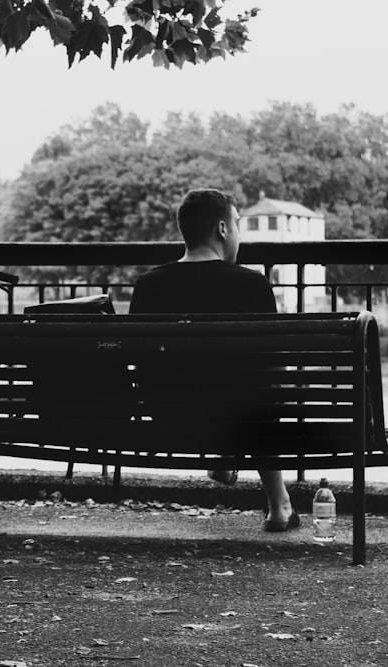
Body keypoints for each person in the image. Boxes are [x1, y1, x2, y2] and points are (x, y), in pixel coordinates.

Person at [129, 187, 298, 532]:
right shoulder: (252, 285)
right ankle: (279, 506)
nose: (238, 234)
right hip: (243, 422)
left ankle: (226, 457)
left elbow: (138, 362)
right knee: (257, 394)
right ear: (222, 230)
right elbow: (273, 366)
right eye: (237, 225)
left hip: (167, 418)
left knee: (229, 389)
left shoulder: (147, 286)